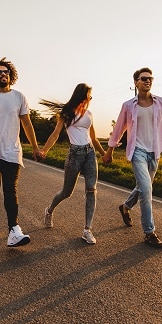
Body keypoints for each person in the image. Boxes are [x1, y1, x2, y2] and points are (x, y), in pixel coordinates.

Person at [0, 57, 44, 247]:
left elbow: (27, 124)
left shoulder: (19, 97)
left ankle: (14, 229)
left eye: (6, 72)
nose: (3, 74)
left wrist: (35, 147)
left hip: (13, 151)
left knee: (11, 191)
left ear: (10, 76)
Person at [102, 67, 162, 248]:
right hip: (137, 151)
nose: (147, 81)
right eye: (143, 78)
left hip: (155, 151)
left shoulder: (161, 102)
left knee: (143, 187)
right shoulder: (128, 105)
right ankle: (149, 232)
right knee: (147, 189)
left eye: (150, 78)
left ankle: (125, 207)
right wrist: (109, 150)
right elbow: (119, 128)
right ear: (135, 82)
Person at [40, 84, 106, 245]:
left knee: (91, 190)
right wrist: (44, 151)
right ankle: (49, 211)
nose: (90, 100)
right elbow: (55, 135)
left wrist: (104, 154)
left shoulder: (89, 114)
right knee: (66, 192)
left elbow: (94, 138)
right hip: (74, 155)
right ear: (82, 96)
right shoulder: (66, 114)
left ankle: (87, 230)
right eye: (89, 96)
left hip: (90, 153)